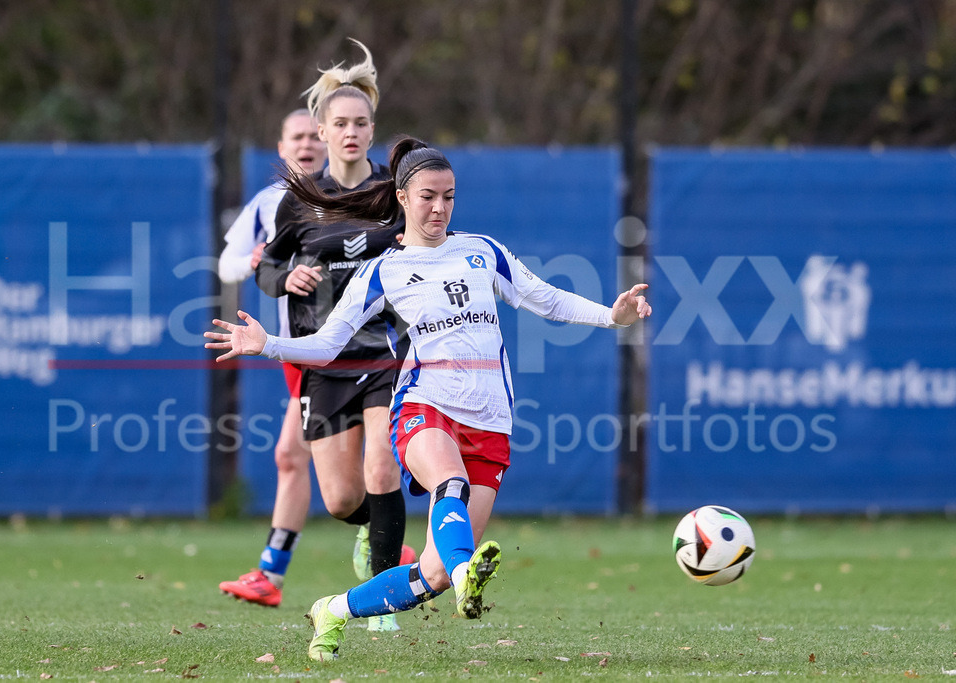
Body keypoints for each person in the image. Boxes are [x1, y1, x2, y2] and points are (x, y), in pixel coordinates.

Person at [204, 136, 653, 661]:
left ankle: (335, 610)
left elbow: (546, 298)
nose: (439, 207)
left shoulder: (482, 252)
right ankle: (469, 575)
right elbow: (328, 344)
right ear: (400, 197)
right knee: (450, 484)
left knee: (431, 576)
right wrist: (269, 345)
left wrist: (610, 316)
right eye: (427, 197)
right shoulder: (384, 271)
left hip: (491, 419)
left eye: (449, 196)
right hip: (425, 404)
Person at [252, 39, 414, 631]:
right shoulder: (299, 199)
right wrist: (284, 276)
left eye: (360, 123)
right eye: (339, 123)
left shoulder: (392, 193)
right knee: (343, 500)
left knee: (380, 471)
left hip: (384, 353)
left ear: (372, 129)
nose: (350, 132)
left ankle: (381, 599)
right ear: (320, 130)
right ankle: (376, 535)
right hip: (323, 362)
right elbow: (267, 270)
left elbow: (428, 250)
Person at [215, 110, 327, 608]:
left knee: (297, 457)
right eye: (296, 137)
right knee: (298, 458)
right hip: (296, 351)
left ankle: (271, 572)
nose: (306, 144)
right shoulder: (269, 204)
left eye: (313, 135)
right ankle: (394, 546)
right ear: (280, 148)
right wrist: (255, 262)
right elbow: (227, 263)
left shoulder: (355, 198)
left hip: (355, 352)